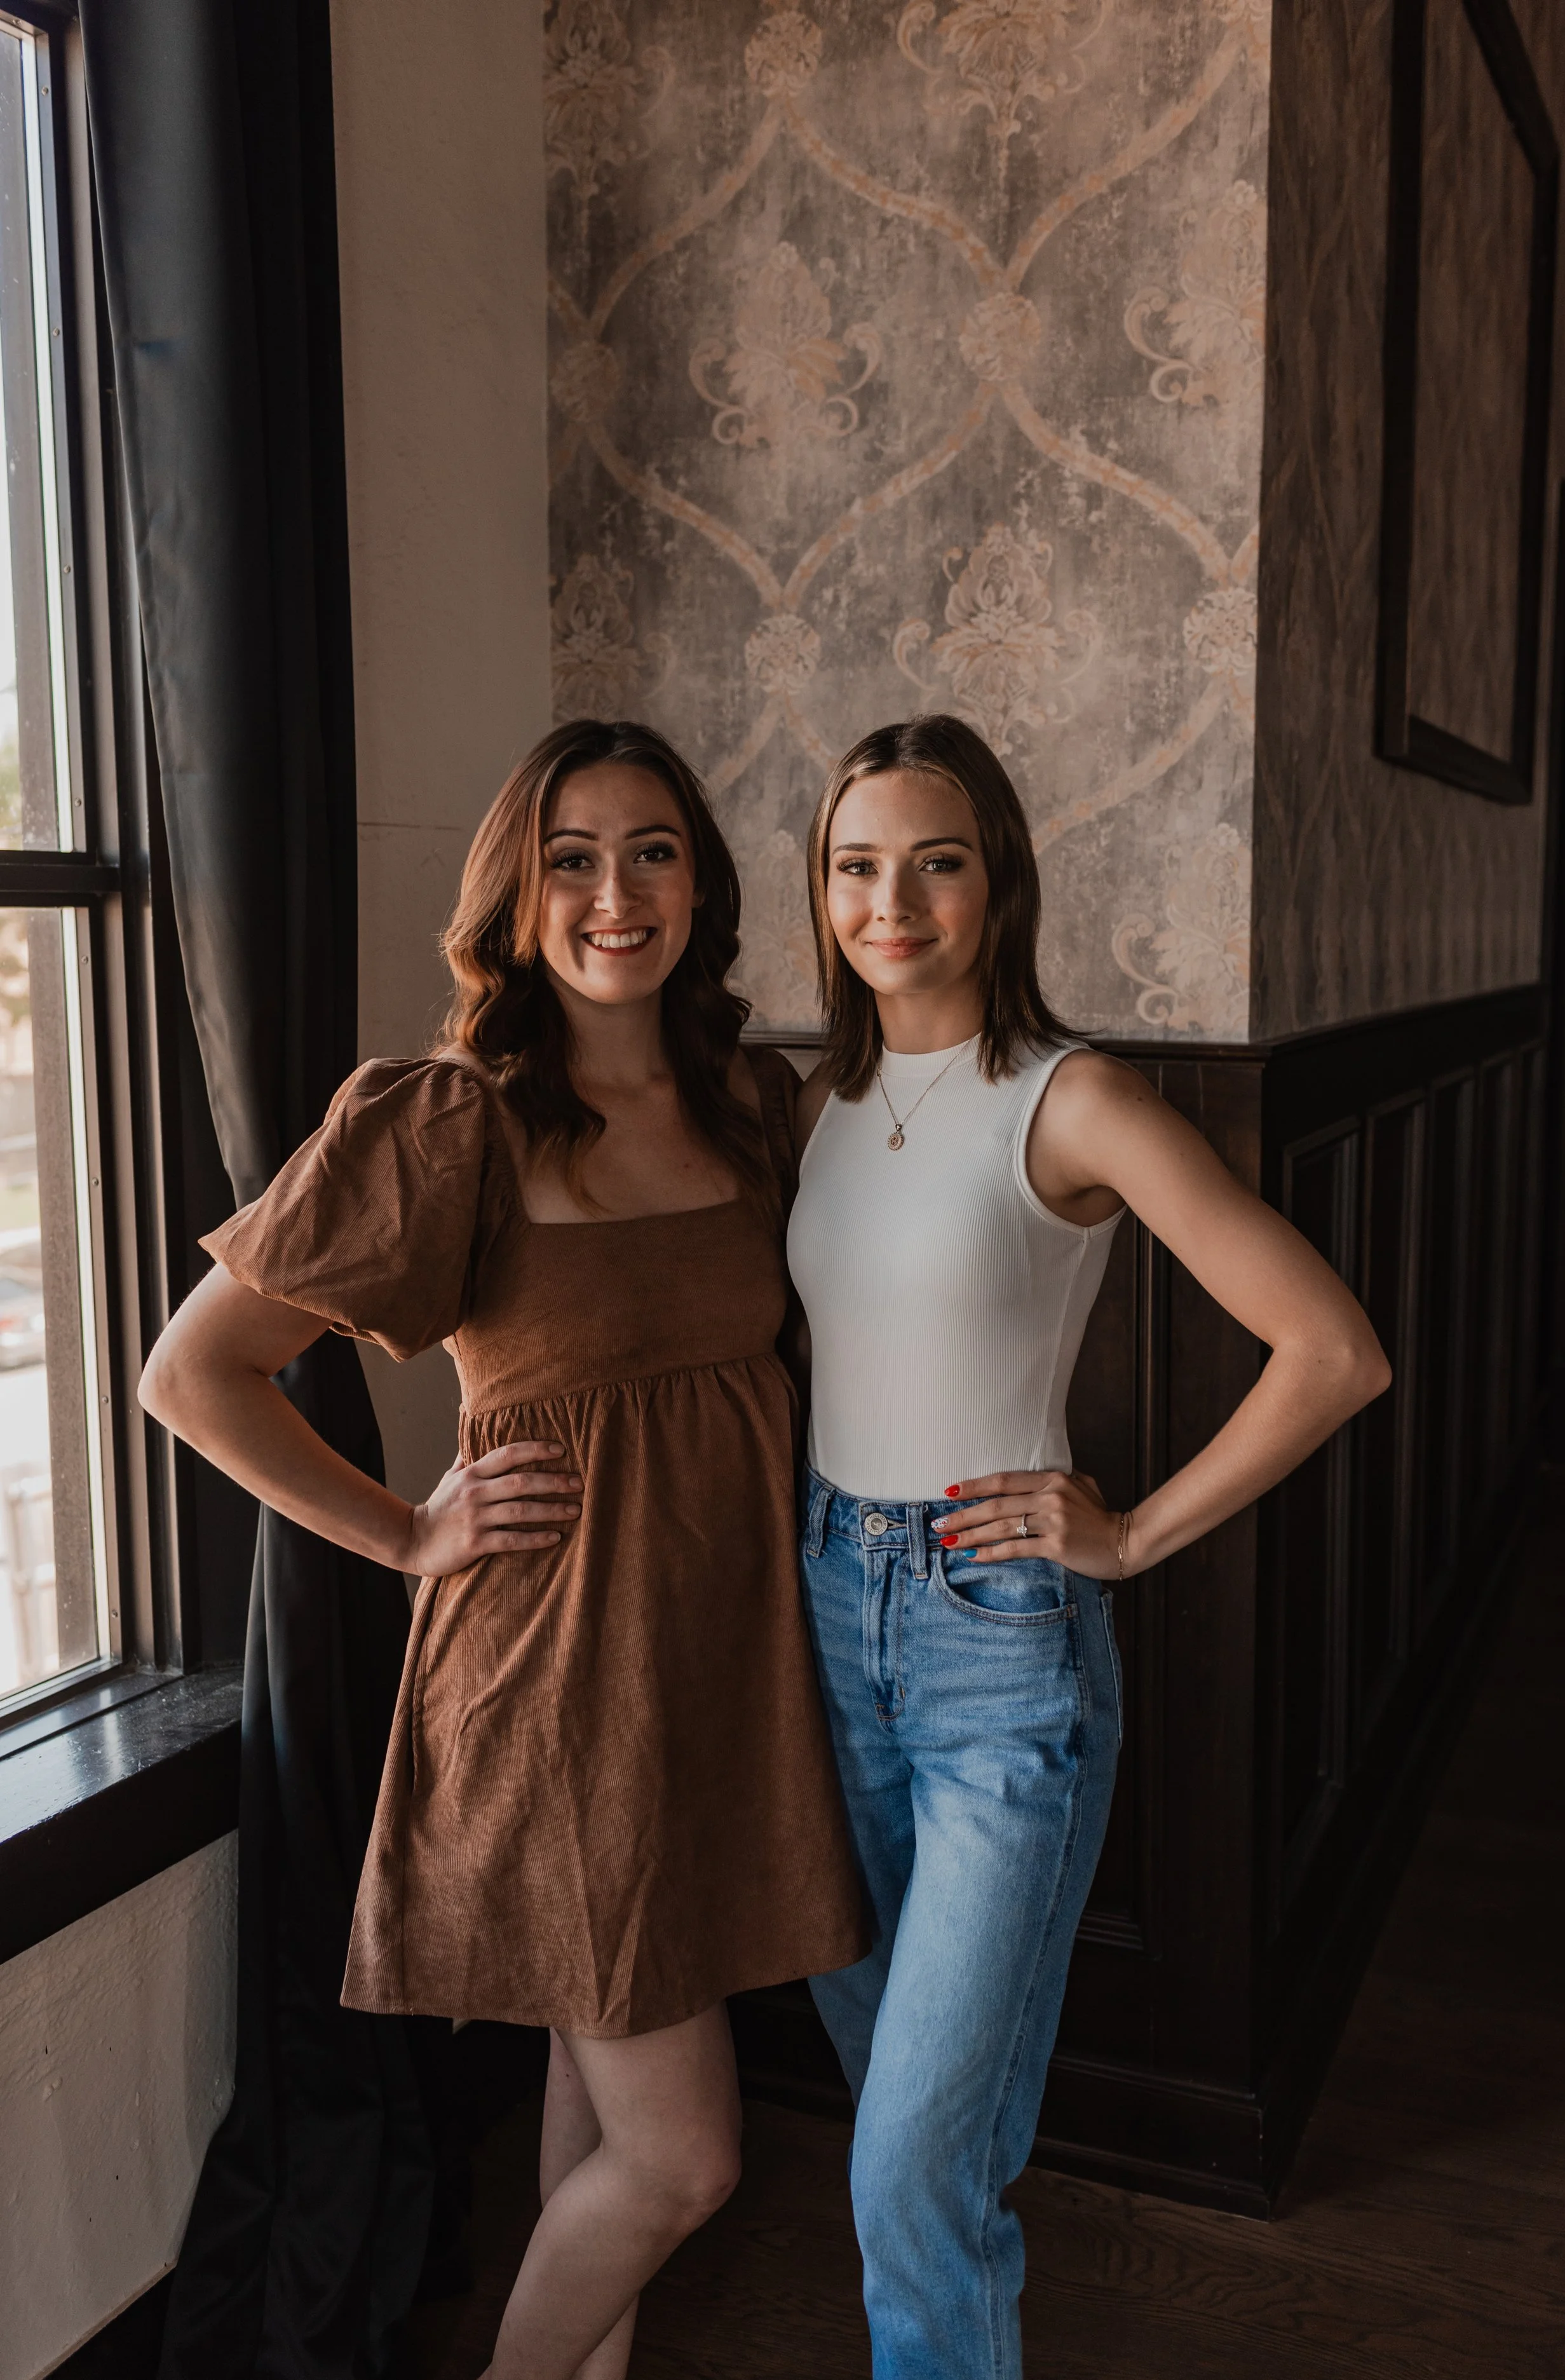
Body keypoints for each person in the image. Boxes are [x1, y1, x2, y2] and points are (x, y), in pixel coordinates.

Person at [139, 719, 866, 2380]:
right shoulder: (448, 1117)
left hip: (713, 1670)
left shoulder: (752, 1103)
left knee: (587, 2086)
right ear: (517, 898)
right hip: (553, 1693)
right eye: (572, 858)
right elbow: (193, 1375)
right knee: (687, 2159)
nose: (618, 892)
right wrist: (404, 1533)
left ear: (703, 881)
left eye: (655, 850)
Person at [786, 713, 1390, 2380]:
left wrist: (1128, 1534)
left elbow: (1332, 1352)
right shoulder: (812, 1100)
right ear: (819, 891)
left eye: (934, 861)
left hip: (997, 1644)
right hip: (823, 1615)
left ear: (999, 883)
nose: (887, 900)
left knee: (915, 2159)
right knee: (895, 2121)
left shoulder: (1073, 1098)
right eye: (853, 866)